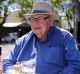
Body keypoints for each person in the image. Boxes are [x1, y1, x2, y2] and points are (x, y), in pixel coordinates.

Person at [3, 0, 80, 74]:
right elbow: (7, 63)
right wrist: (12, 72)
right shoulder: (22, 41)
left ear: (51, 21)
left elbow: (75, 65)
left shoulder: (65, 37)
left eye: (39, 19)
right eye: (33, 19)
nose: (35, 23)